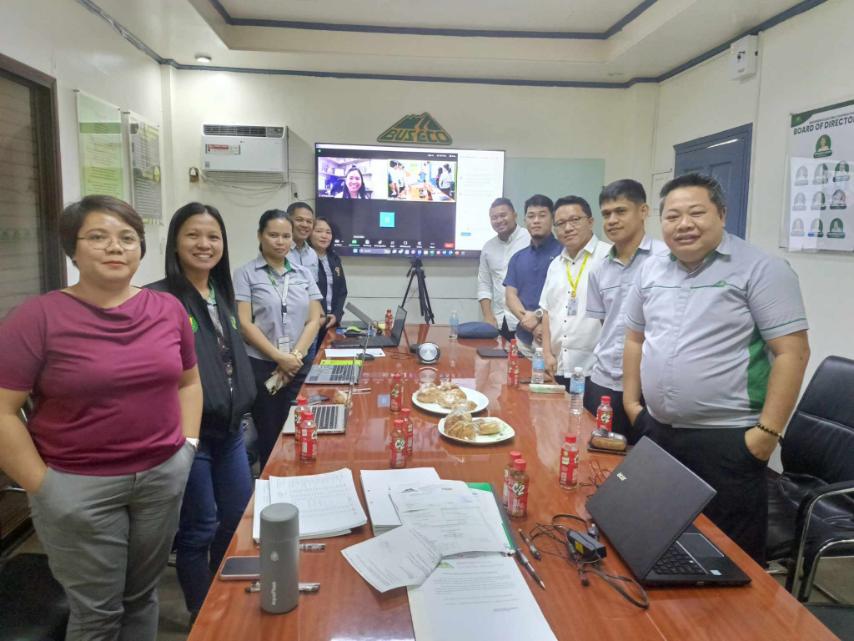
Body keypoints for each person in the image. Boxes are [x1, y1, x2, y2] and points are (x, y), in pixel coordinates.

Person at [0, 195, 200, 641]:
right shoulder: (37, 317)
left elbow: (189, 383)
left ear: (141, 249)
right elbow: (3, 411)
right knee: (97, 614)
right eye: (98, 237)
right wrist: (45, 487)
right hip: (78, 486)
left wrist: (187, 447)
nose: (115, 247)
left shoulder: (167, 310)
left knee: (142, 597)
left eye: (127, 238)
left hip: (161, 477)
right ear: (73, 249)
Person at [622, 173, 810, 563]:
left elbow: (792, 353)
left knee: (727, 558)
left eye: (696, 213)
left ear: (722, 214)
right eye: (673, 216)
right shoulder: (651, 270)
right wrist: (631, 404)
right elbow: (635, 339)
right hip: (658, 431)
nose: (684, 224)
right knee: (657, 541)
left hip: (727, 440)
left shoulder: (761, 269)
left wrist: (766, 434)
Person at [147, 202, 256, 622]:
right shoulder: (159, 298)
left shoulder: (220, 293)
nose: (204, 244)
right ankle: (201, 612)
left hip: (228, 433)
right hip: (188, 436)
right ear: (175, 241)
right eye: (193, 235)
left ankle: (221, 595)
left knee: (236, 516)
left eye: (213, 236)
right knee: (200, 527)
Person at [234, 210, 324, 470]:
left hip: (298, 364)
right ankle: (270, 484)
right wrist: (279, 357)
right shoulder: (246, 274)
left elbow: (314, 319)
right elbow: (244, 323)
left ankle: (298, 477)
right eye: (273, 235)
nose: (280, 241)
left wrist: (294, 357)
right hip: (264, 365)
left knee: (300, 425)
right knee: (270, 432)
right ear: (260, 236)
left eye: (286, 236)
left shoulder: (303, 273)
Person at [585, 180, 666, 442]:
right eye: (606, 214)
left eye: (621, 211)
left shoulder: (666, 260)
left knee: (647, 463)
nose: (612, 220)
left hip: (650, 385)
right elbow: (604, 323)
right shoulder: (599, 268)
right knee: (602, 459)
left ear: (643, 211)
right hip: (605, 379)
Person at [540, 196, 611, 383]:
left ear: (590, 221)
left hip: (596, 370)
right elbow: (547, 312)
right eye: (561, 223)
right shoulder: (555, 264)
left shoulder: (608, 258)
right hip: (558, 366)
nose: (568, 228)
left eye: (574, 220)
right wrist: (547, 354)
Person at [504, 194, 562, 357]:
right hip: (523, 341)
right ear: (525, 221)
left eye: (542, 215)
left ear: (553, 219)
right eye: (531, 216)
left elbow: (563, 297)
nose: (536, 220)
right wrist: (532, 325)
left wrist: (539, 320)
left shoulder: (564, 253)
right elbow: (511, 296)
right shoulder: (518, 257)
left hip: (553, 342)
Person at [477, 197, 531, 341]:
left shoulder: (530, 239)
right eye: (494, 217)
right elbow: (484, 284)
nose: (499, 220)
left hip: (527, 319)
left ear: (515, 215)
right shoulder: (488, 248)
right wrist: (488, 317)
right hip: (500, 321)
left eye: (503, 215)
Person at [310, 216, 348, 346]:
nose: (324, 236)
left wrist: (336, 315)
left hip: (332, 321)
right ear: (310, 233)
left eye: (328, 232)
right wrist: (321, 317)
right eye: (319, 231)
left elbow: (342, 291)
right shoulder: (305, 259)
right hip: (312, 321)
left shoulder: (334, 258)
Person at [286, 201, 319, 280]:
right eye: (299, 220)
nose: (305, 225)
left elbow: (313, 285)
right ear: (287, 221)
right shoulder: (278, 250)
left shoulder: (312, 254)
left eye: (309, 221)